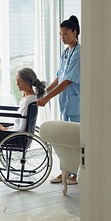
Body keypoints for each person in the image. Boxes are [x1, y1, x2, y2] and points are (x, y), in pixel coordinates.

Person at [36, 15, 81, 184]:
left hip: (76, 103)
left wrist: (47, 98)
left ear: (74, 33)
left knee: (77, 140)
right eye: (60, 35)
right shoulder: (65, 52)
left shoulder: (79, 53)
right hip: (65, 103)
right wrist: (43, 91)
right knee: (65, 140)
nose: (62, 38)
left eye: (65, 34)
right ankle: (66, 171)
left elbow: (68, 80)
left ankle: (77, 173)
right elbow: (59, 76)